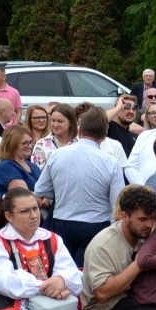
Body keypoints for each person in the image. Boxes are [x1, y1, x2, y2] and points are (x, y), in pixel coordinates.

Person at [33, 107, 123, 266]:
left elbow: (40, 190)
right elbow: (117, 202)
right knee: (87, 274)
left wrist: (62, 190)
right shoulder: (111, 162)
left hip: (62, 223)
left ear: (80, 131)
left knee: (62, 273)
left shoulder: (57, 155)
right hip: (95, 226)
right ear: (105, 135)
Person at [0, 125, 41, 197]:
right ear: (12, 144)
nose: (30, 146)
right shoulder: (7, 166)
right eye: (25, 143)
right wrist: (44, 201)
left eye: (31, 142)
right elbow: (22, 194)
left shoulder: (32, 166)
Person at [31, 103, 76, 169]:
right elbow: (38, 172)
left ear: (71, 123)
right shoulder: (41, 144)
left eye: (60, 121)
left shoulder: (79, 142)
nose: (55, 125)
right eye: (53, 120)